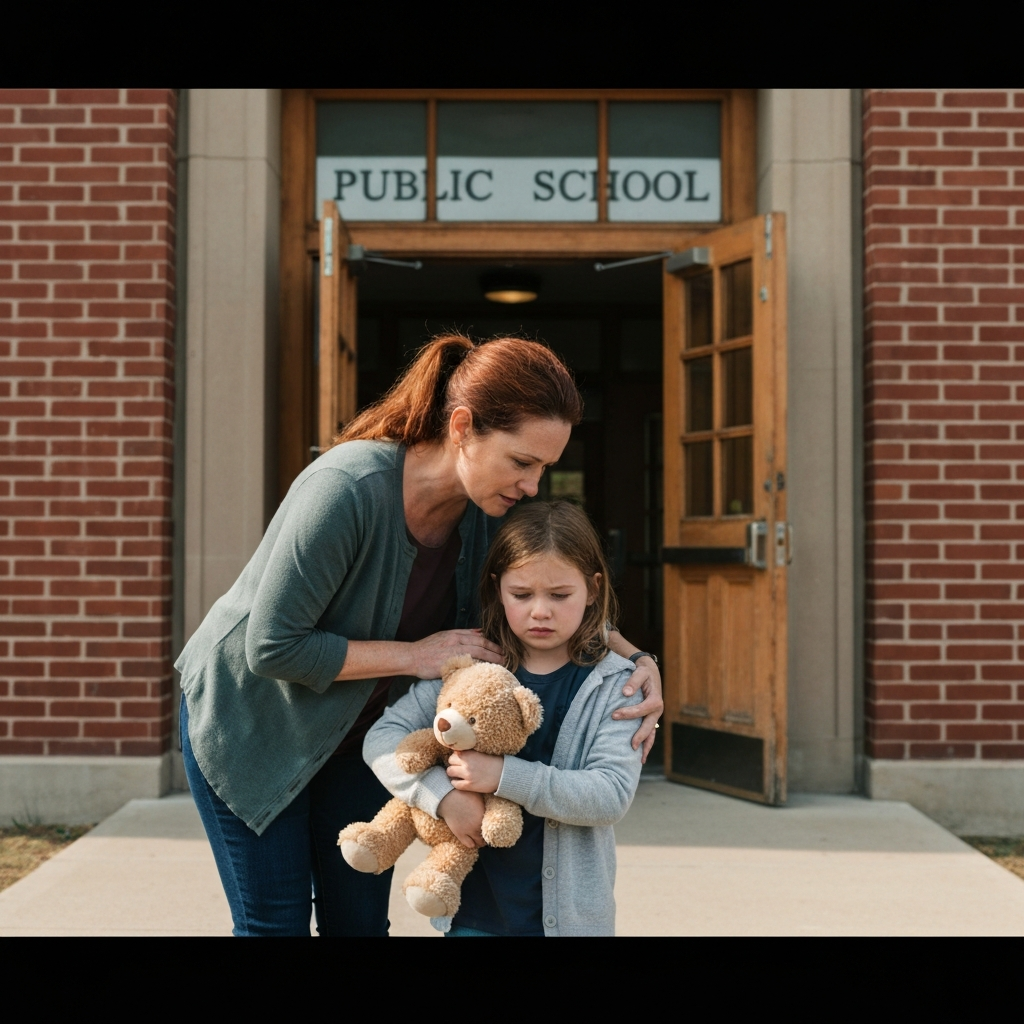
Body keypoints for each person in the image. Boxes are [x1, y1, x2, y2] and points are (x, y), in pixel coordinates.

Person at [175, 334, 663, 936]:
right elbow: (273, 646)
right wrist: (416, 656)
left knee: (357, 921)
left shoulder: (491, 512)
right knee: (274, 922)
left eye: (544, 467)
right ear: (462, 427)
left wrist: (638, 658)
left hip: (352, 728)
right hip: (254, 723)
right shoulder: (346, 490)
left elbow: (552, 591)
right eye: (521, 461)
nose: (533, 485)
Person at [364, 500, 643, 936]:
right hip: (473, 912)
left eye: (559, 595)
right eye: (521, 594)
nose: (540, 611)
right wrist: (442, 797)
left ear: (593, 589)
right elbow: (382, 739)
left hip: (569, 923)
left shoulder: (615, 685)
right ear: (497, 589)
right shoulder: (470, 666)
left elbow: (609, 795)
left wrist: (501, 776)